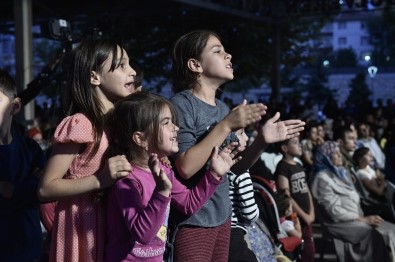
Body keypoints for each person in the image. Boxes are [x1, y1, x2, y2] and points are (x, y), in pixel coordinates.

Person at [169, 30, 305, 262]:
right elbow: (186, 167)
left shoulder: (222, 108)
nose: (228, 55)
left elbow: (233, 169)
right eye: (217, 50)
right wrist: (226, 125)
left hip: (223, 219)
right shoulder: (181, 104)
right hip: (194, 222)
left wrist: (262, 140)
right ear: (195, 65)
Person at [104, 92, 240, 261]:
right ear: (141, 138)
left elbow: (189, 204)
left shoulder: (164, 171)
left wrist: (214, 174)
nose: (176, 127)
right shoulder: (126, 181)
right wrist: (161, 193)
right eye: (166, 122)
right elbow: (143, 235)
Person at [38, 39, 136, 262]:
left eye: (130, 64)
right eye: (121, 66)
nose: (132, 72)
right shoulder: (81, 124)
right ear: (94, 77)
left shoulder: (121, 123)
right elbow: (45, 188)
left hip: (116, 224)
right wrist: (99, 180)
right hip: (82, 229)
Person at [311, 141, 395, 262]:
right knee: (373, 235)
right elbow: (334, 212)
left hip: (352, 218)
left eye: (339, 152)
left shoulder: (336, 173)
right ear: (326, 157)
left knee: (391, 229)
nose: (340, 155)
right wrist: (363, 219)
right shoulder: (321, 179)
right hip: (338, 223)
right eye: (335, 153)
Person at [0, 69, 46, 262]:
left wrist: (13, 189)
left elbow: (46, 186)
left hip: (28, 251)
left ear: (15, 106)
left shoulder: (30, 149)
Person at [274, 136, 315, 262]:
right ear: (285, 148)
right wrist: (303, 216)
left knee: (310, 250)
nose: (299, 145)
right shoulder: (282, 167)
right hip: (295, 218)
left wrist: (311, 213)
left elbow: (306, 189)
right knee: (303, 251)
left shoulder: (298, 164)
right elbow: (287, 197)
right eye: (295, 143)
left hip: (307, 216)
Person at [228, 127, 259, 262]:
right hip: (235, 235)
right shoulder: (241, 170)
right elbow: (250, 213)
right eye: (241, 133)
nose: (246, 138)